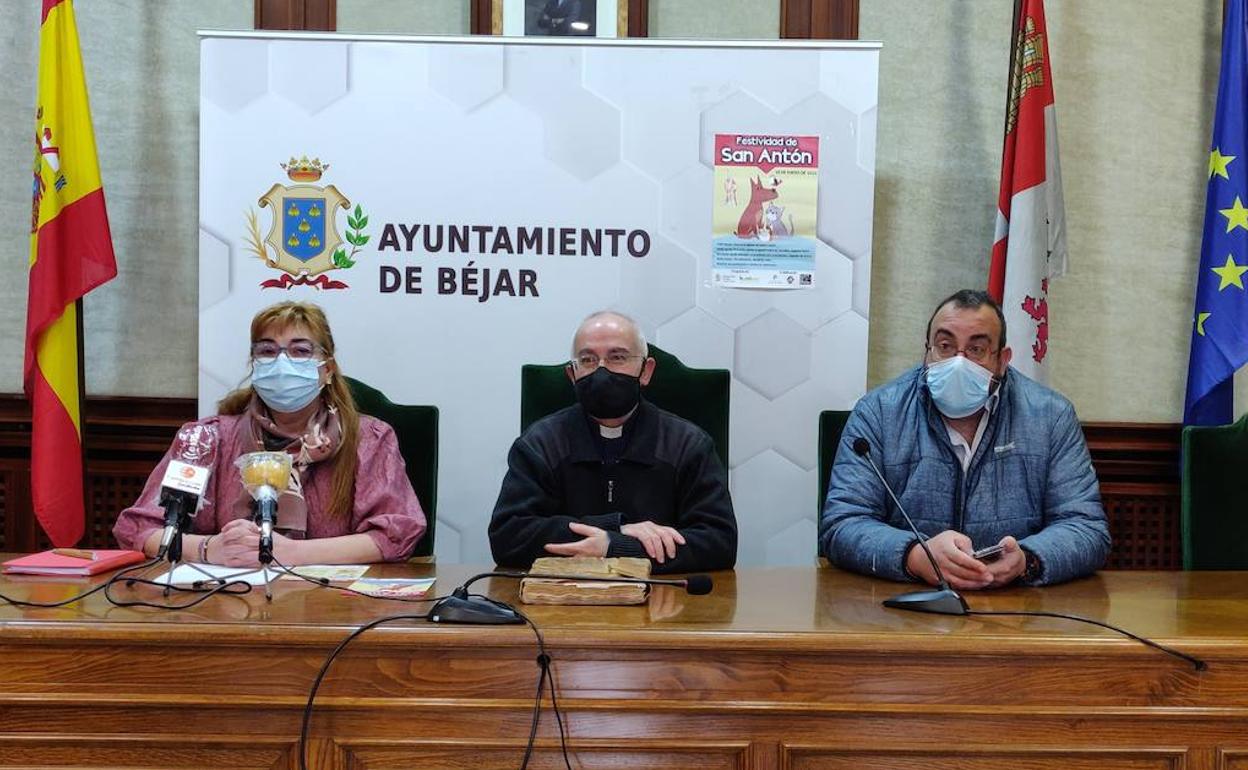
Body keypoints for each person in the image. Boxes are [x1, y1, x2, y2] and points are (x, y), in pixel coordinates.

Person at [820, 289, 1109, 588]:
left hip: (1016, 610)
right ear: (927, 351)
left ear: (1002, 360)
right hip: (904, 605)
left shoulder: (1050, 416)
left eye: (976, 350)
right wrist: (916, 556)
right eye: (945, 346)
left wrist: (1028, 560)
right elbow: (842, 524)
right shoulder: (879, 412)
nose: (958, 362)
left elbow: (1086, 528)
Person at [113, 301, 426, 566]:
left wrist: (291, 553)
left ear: (327, 370)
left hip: (332, 612)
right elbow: (139, 529)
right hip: (224, 609)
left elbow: (397, 533)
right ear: (255, 365)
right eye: (267, 351)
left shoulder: (369, 439)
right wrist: (211, 550)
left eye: (300, 351)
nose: (282, 363)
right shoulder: (206, 439)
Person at [489, 310, 737, 574]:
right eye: (587, 359)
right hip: (561, 605)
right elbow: (508, 537)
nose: (602, 370)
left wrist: (616, 546)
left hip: (663, 605)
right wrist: (614, 528)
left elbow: (719, 542)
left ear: (646, 370)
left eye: (617, 357)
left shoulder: (688, 444)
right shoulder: (539, 444)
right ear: (572, 374)